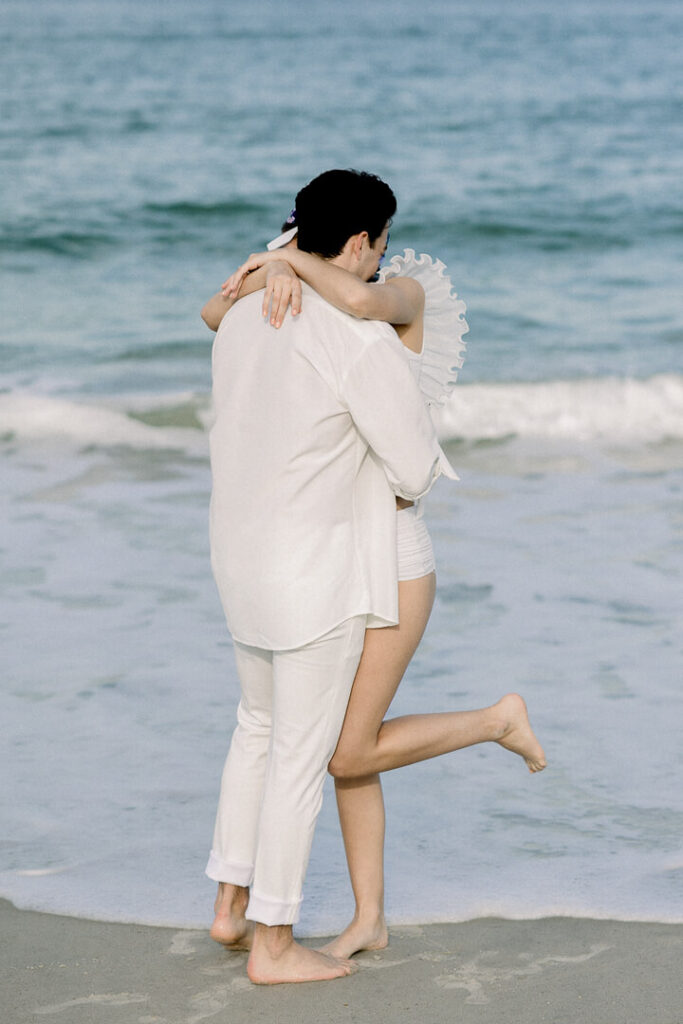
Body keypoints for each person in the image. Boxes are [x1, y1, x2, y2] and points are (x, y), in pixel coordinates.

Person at [207, 180, 547, 961]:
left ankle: (495, 720)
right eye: (379, 241)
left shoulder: (396, 298)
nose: (384, 255)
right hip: (338, 548)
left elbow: (402, 457)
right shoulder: (313, 313)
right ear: (360, 238)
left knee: (341, 748)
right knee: (333, 747)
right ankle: (367, 918)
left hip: (388, 551)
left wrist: (275, 261)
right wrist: (281, 267)